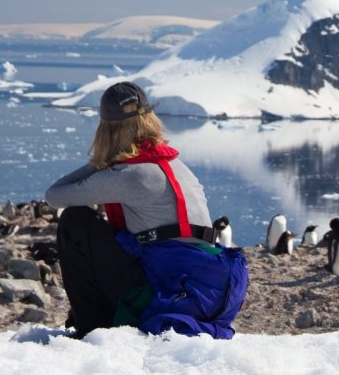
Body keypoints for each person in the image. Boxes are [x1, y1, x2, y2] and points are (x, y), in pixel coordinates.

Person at [45, 81, 247, 338]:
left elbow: (55, 195)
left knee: (76, 221)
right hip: (203, 293)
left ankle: (93, 328)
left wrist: (103, 161)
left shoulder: (130, 173)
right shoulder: (175, 165)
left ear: (107, 129)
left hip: (167, 290)